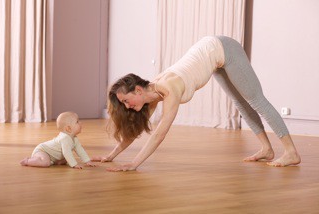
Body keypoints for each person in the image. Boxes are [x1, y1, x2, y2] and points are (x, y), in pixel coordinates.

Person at [92, 36, 301, 171]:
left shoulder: (169, 88)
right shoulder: (151, 95)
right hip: (212, 54)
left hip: (225, 48)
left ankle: (291, 152)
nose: (127, 107)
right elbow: (135, 131)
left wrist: (133, 164)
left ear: (137, 90)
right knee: (239, 102)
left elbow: (160, 134)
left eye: (126, 101)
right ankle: (266, 149)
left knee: (256, 100)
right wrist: (111, 156)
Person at [20, 111, 96, 169]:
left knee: (66, 159)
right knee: (46, 163)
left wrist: (87, 161)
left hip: (52, 155)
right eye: (77, 122)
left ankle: (55, 161)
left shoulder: (74, 138)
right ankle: (28, 161)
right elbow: (66, 153)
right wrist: (74, 164)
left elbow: (80, 150)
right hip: (43, 151)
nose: (80, 123)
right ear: (68, 128)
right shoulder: (65, 138)